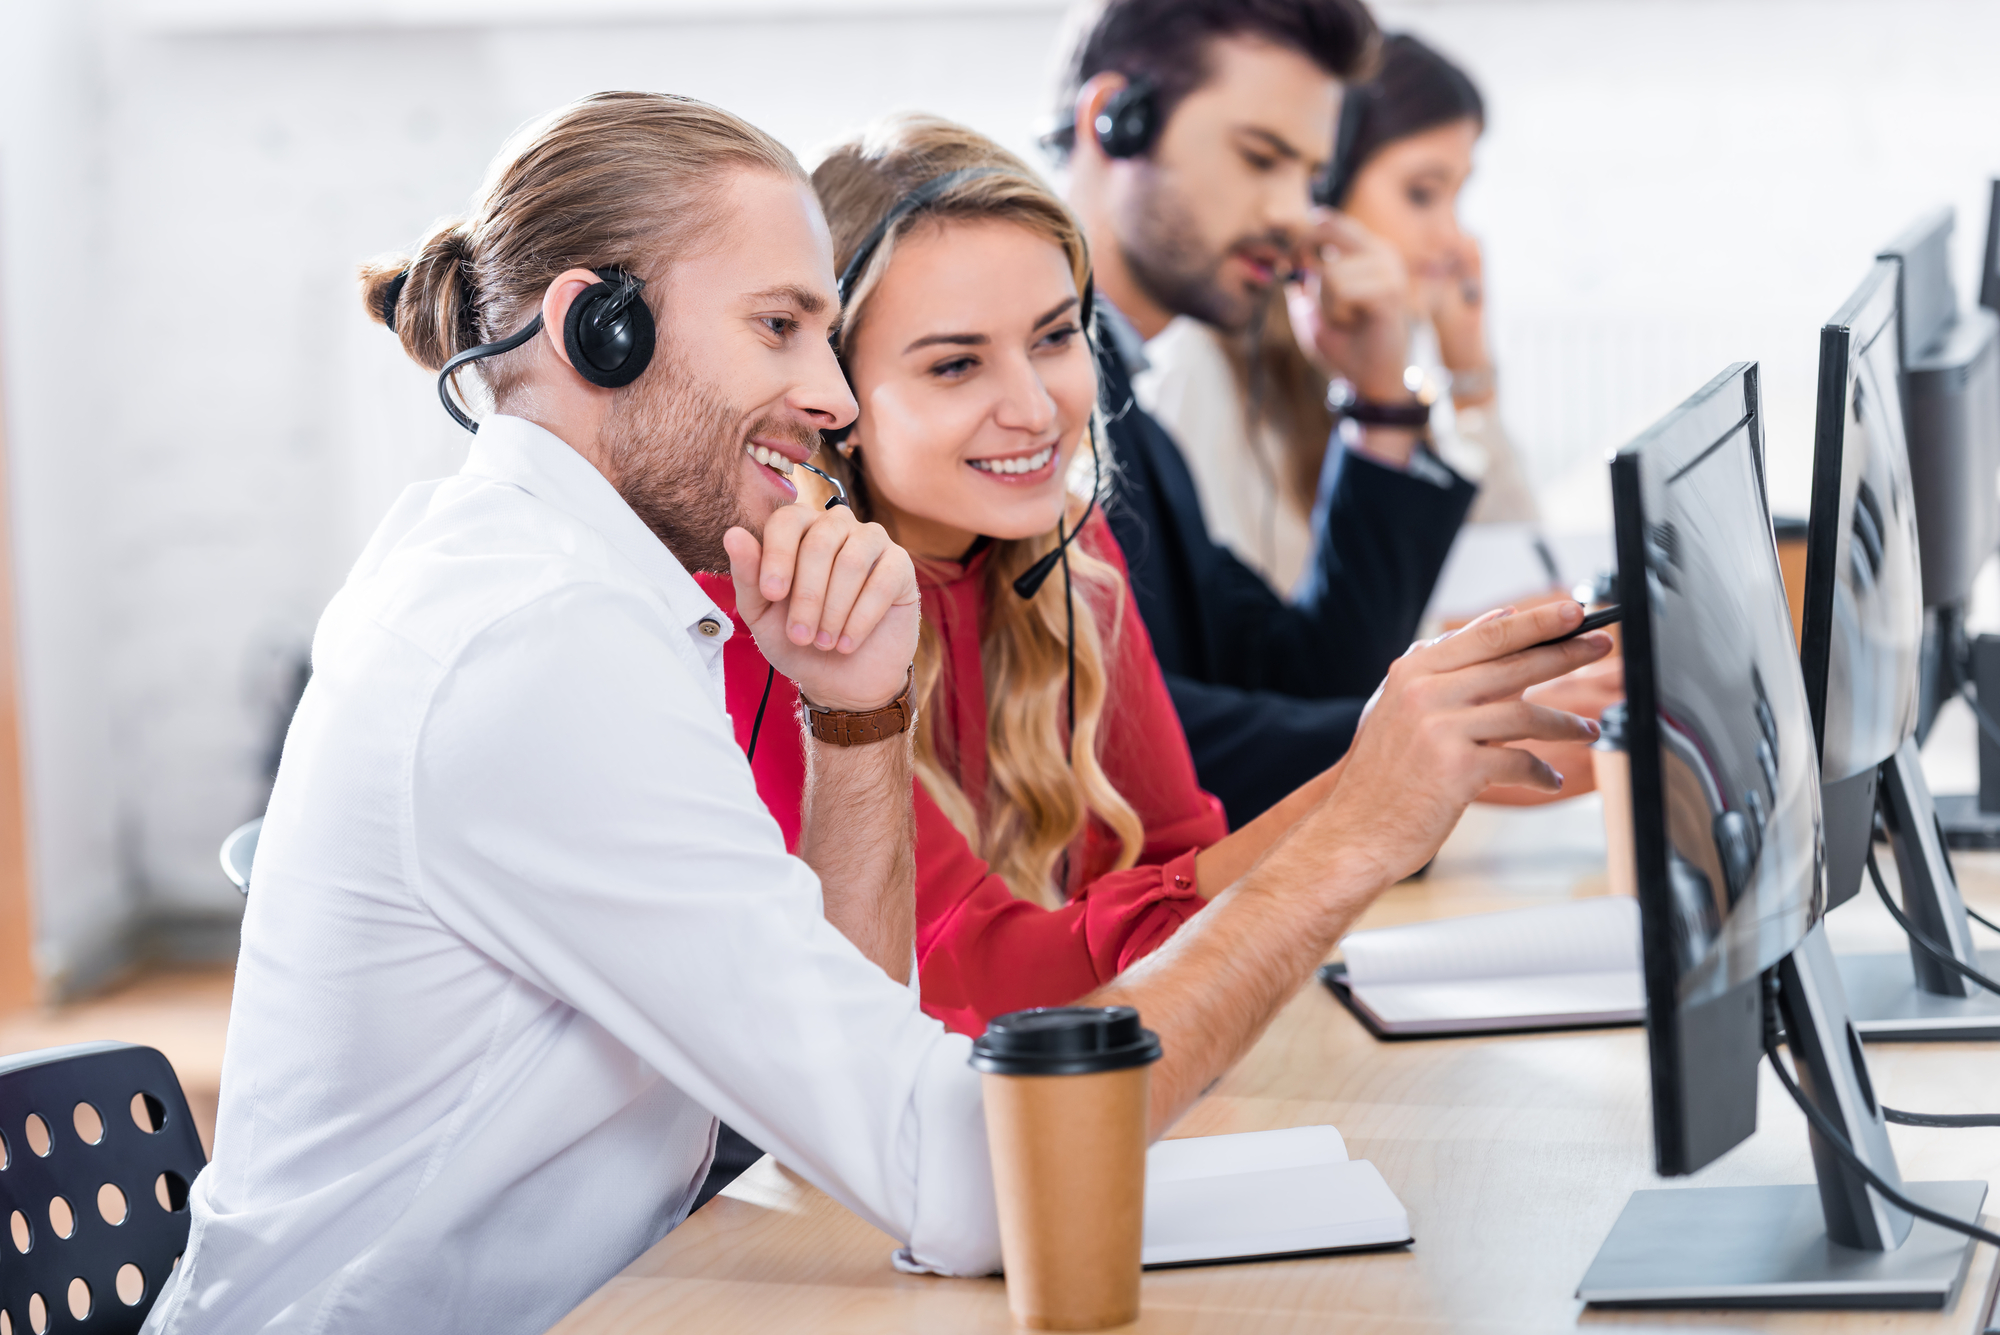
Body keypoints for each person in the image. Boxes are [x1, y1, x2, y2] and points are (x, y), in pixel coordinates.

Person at [139, 91, 1609, 1335]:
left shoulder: (579, 583)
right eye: (782, 328)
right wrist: (1360, 822)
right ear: (600, 333)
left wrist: (853, 721)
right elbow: (967, 1176)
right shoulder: (537, 651)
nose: (828, 397)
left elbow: (848, 1053)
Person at [1050, 0, 1482, 828]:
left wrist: (1380, 404)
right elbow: (1096, 731)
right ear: (1116, 121)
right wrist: (1422, 750)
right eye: (1261, 158)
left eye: (1308, 178)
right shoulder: (1021, 406)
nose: (1293, 214)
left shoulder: (1139, 421)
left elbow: (1308, 677)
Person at [1141, 34, 1535, 602]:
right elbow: (1263, 653)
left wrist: (1469, 374)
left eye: (1458, 197)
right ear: (1325, 190)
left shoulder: (1380, 356)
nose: (1453, 238)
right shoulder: (1205, 367)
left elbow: (1515, 557)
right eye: (1423, 194)